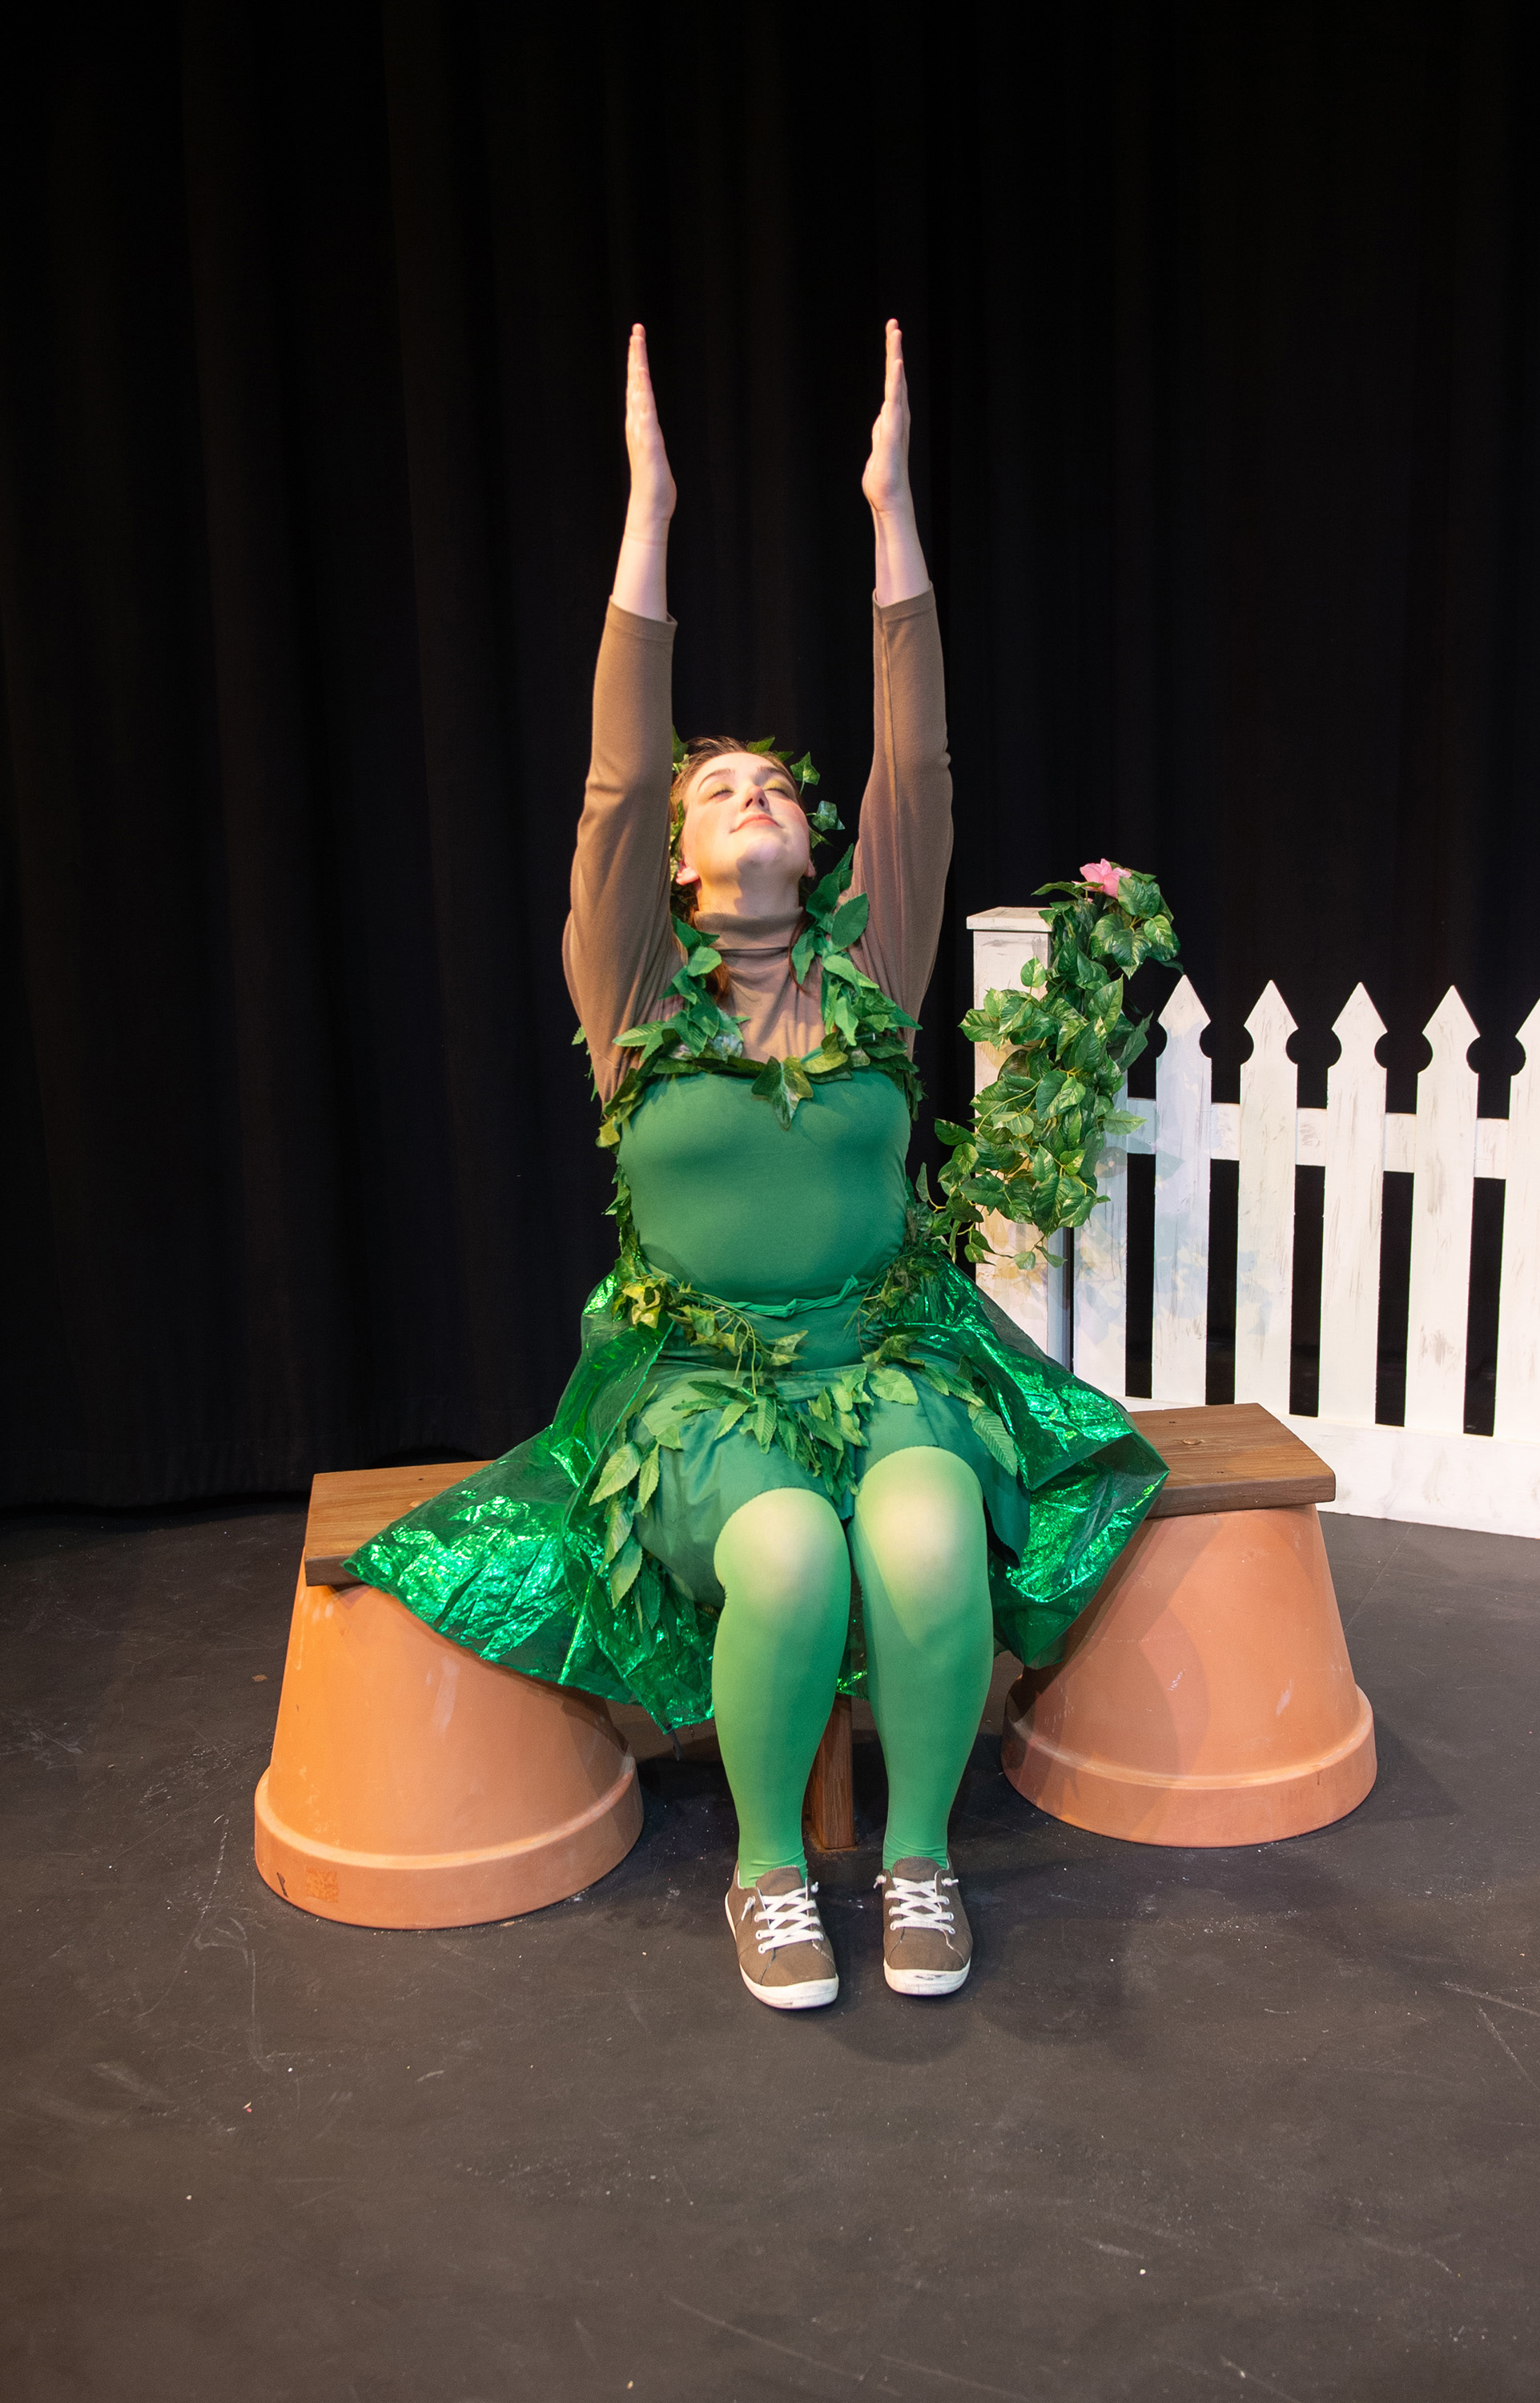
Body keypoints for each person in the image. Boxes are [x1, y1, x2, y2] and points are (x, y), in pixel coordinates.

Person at [348, 322, 1164, 2011]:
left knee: (931, 1536)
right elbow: (614, 772)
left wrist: (890, 509)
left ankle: (920, 1855)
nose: (752, 799)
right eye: (721, 793)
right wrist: (646, 524)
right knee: (787, 1552)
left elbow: (916, 764)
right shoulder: (632, 993)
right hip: (698, 1387)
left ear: (816, 846)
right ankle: (771, 1874)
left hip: (888, 1360)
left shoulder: (875, 982)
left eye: (775, 788)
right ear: (682, 861)